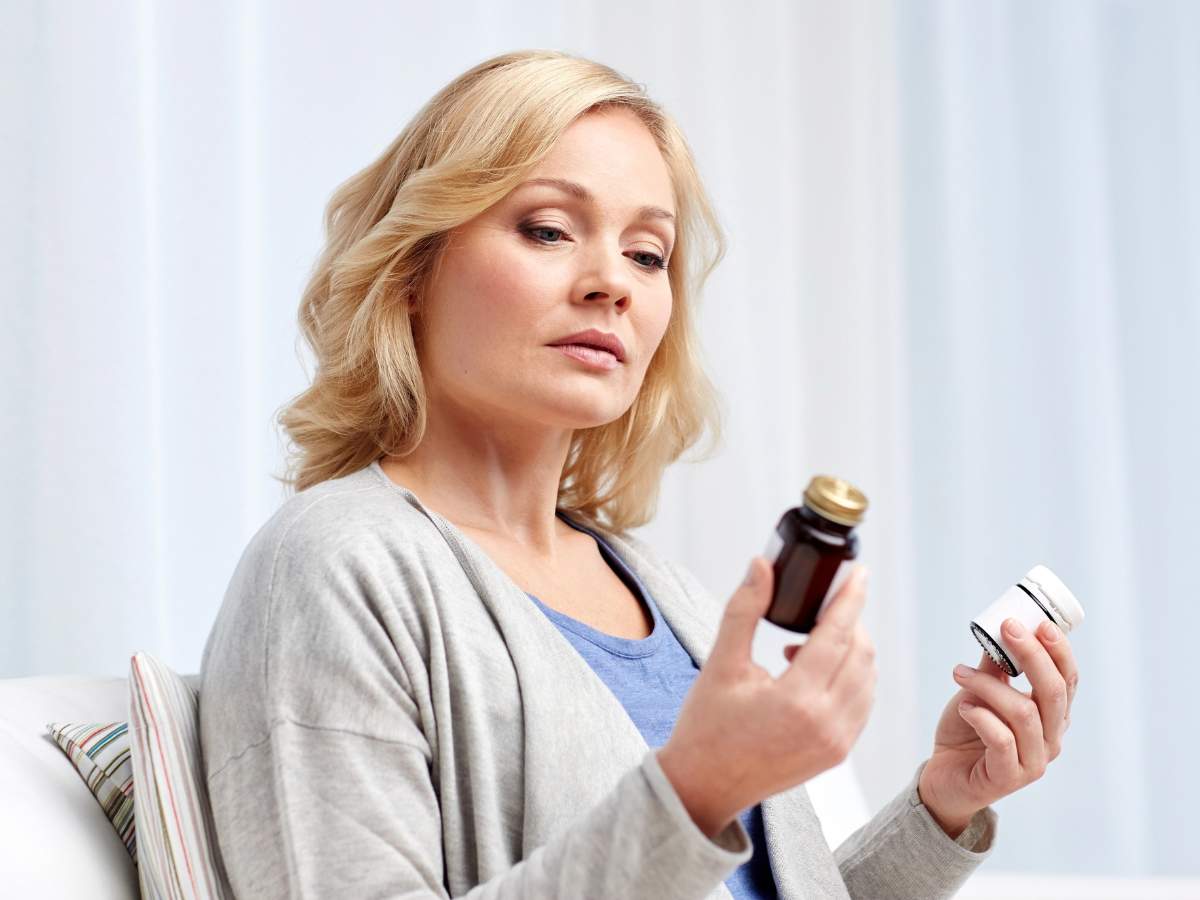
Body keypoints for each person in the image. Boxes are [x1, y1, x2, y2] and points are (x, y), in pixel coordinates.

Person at [200, 49, 1081, 899]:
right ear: (412, 272)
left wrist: (943, 803)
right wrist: (696, 788)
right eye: (548, 229)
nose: (612, 284)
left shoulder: (666, 594)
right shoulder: (333, 566)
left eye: (648, 254)